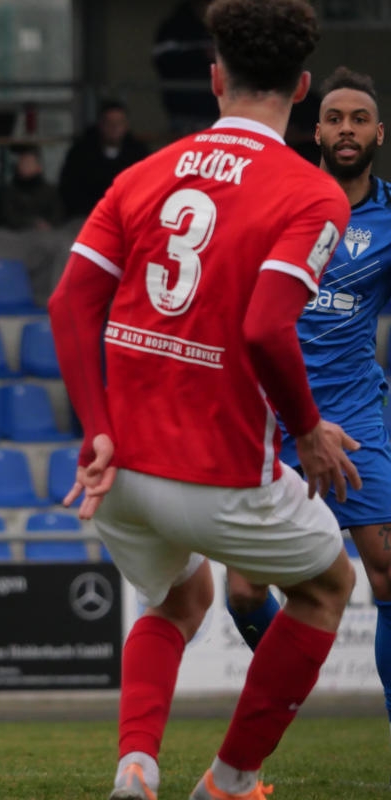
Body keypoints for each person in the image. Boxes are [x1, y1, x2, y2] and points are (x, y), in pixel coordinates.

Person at [47, 2, 361, 799]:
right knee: (328, 589)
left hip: (121, 469)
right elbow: (264, 328)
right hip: (221, 472)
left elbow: (67, 305)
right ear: (301, 87)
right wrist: (310, 431)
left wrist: (97, 432)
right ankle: (230, 778)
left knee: (179, 595)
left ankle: (136, 766)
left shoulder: (142, 173)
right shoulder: (314, 194)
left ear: (215, 78)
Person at [222, 65, 391, 748]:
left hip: (354, 419)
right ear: (313, 129)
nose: (346, 129)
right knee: (241, 592)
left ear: (379, 132)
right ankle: (286, 686)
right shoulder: (281, 197)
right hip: (270, 422)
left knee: (387, 575)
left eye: (359, 119)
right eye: (334, 118)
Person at [57, 101, 149, 220]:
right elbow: (70, 189)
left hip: (128, 216)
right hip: (88, 216)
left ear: (126, 125)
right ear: (101, 125)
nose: (114, 127)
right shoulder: (81, 153)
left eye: (119, 123)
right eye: (109, 123)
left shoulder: (138, 153)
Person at [152, 0, 218, 136]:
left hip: (217, 109)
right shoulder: (175, 26)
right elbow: (164, 60)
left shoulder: (223, 26)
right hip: (184, 109)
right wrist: (202, 55)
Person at [0, 145, 63, 231]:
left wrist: (46, 224)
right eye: (22, 162)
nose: (25, 166)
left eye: (29, 163)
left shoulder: (49, 191)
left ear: (39, 167)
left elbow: (58, 214)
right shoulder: (10, 191)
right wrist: (31, 223)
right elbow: (9, 216)